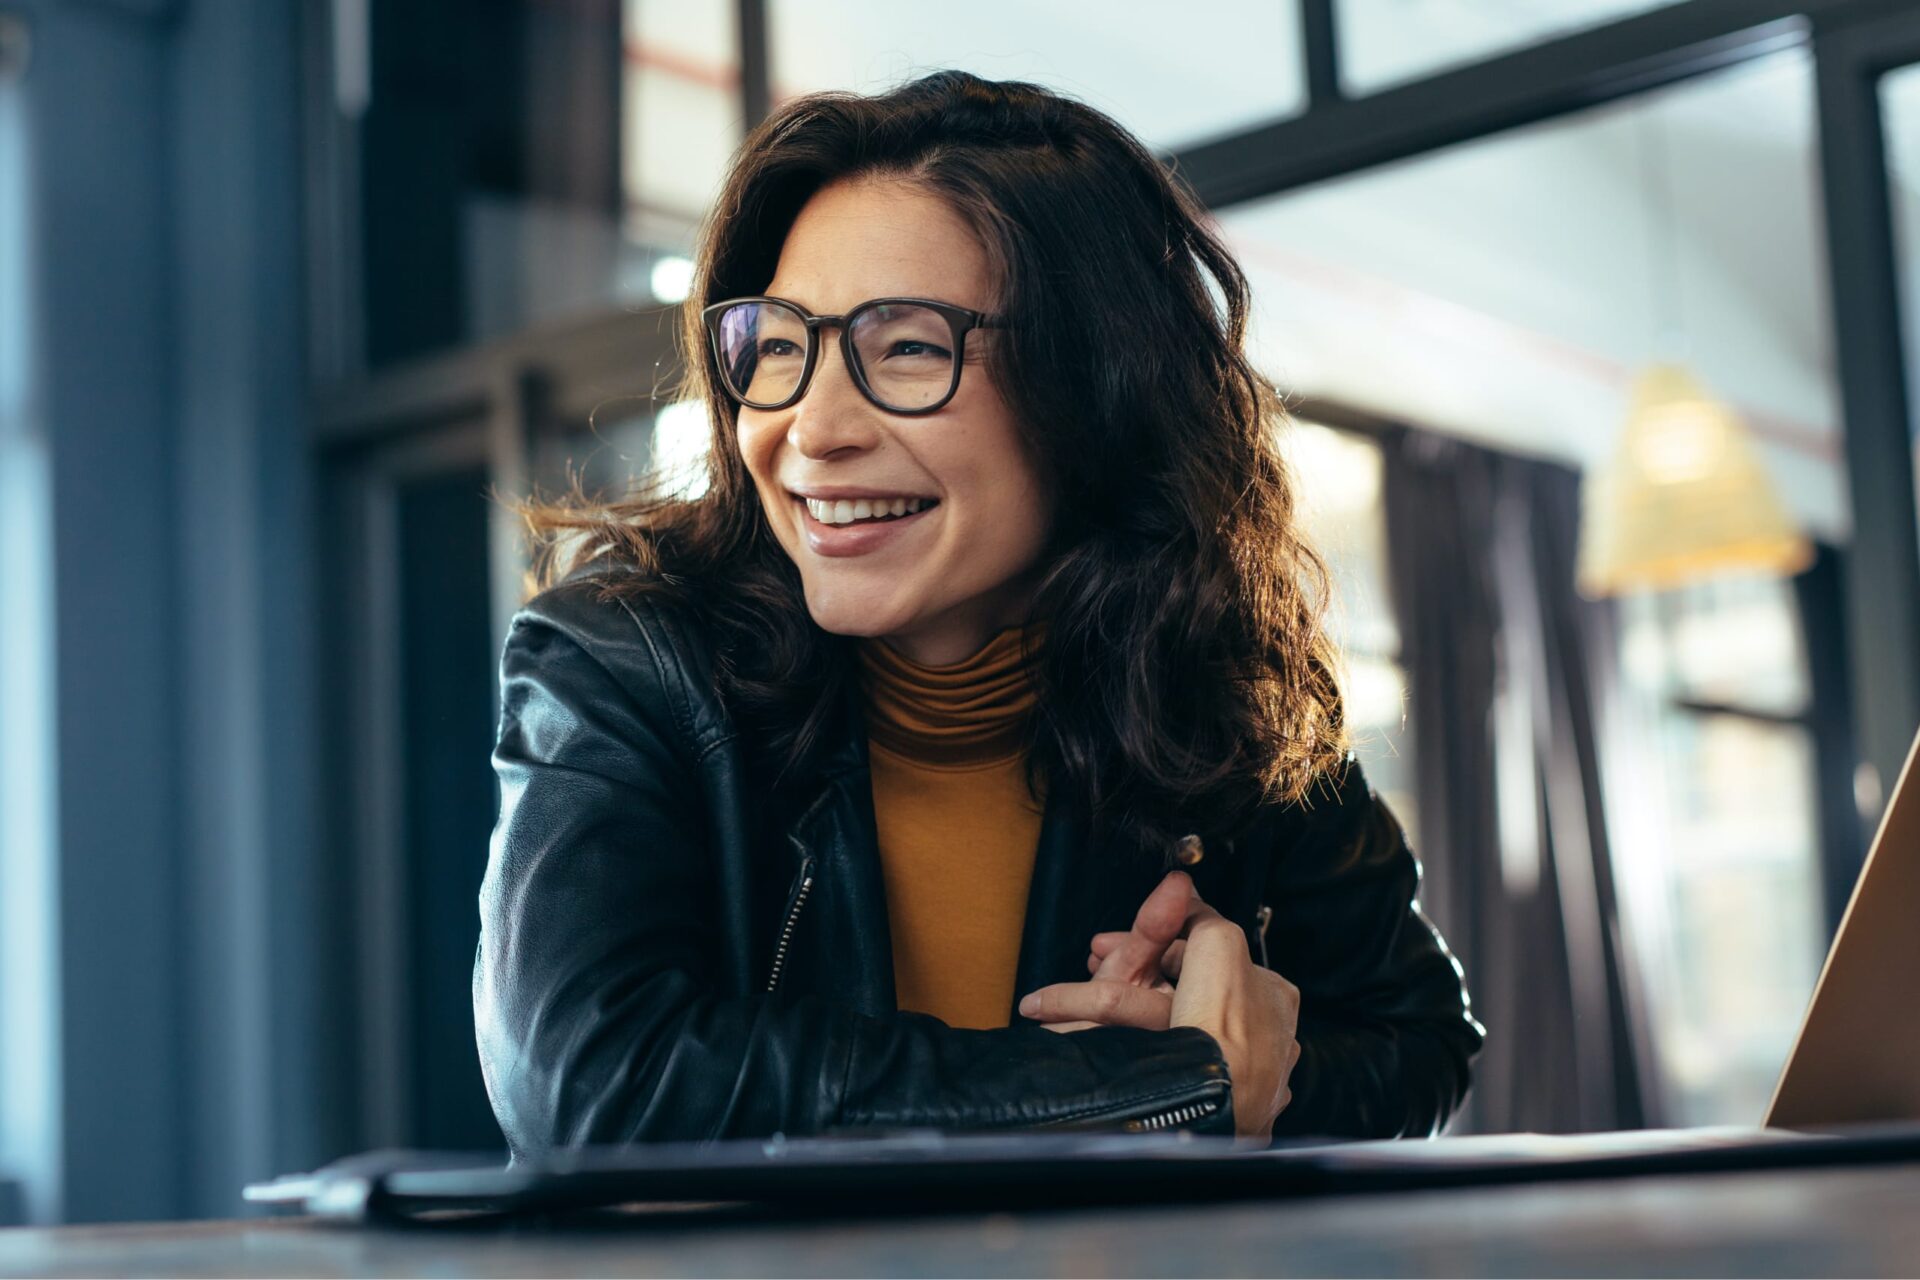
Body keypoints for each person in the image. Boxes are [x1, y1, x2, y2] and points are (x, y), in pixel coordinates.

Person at [474, 70, 1485, 1155]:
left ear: (1097, 386)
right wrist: (1160, 1085)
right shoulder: (624, 660)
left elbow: (1419, 1034)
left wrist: (1259, 1067)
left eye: (905, 346)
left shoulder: (1214, 677)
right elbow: (587, 1080)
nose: (811, 429)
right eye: (778, 345)